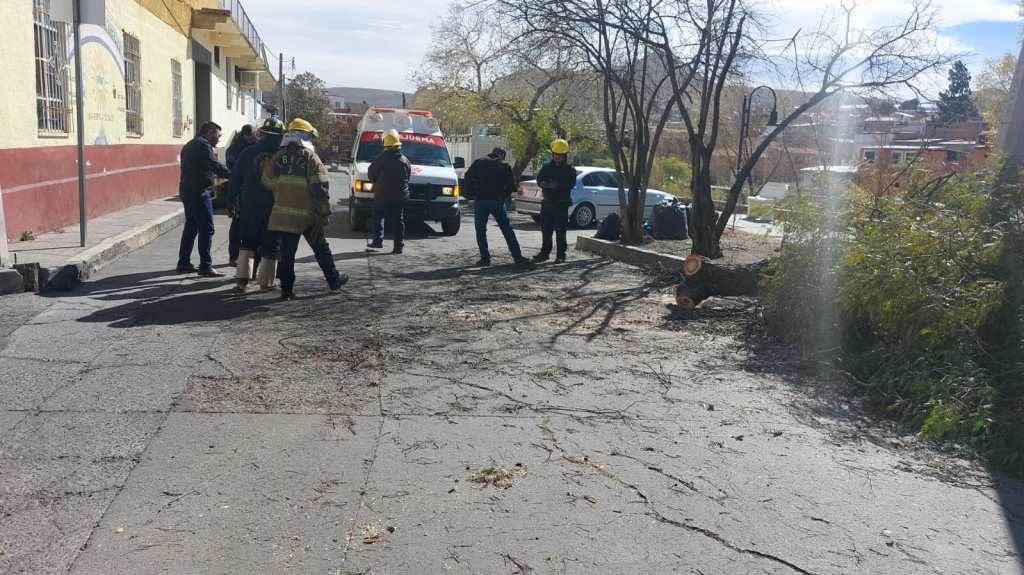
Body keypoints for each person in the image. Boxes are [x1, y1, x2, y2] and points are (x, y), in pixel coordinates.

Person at [260, 118, 348, 300]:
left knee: (287, 254)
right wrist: (324, 213)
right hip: (308, 216)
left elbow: (266, 180)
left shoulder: (278, 157)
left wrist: (281, 188)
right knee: (321, 249)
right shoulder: (310, 158)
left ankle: (286, 290)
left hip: (283, 216)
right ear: (306, 137)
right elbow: (320, 188)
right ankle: (334, 280)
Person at [229, 117, 284, 291]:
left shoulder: (248, 152)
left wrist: (231, 200)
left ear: (262, 133)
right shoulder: (283, 156)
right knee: (271, 245)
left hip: (249, 205)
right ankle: (266, 283)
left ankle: (242, 281)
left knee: (247, 242)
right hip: (274, 207)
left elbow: (235, 178)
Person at [177, 121, 230, 276]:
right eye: (218, 135)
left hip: (187, 189)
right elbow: (213, 164)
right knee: (206, 228)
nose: (219, 139)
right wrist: (232, 175)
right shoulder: (203, 145)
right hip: (198, 191)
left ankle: (183, 263)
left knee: (191, 226)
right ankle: (205, 266)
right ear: (210, 132)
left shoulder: (190, 144)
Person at [465, 147, 530, 267]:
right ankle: (517, 257)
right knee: (507, 230)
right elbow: (511, 185)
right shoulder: (504, 166)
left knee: (481, 231)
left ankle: (485, 259)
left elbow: (467, 177)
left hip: (481, 201)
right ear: (501, 156)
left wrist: (472, 193)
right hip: (497, 202)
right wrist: (504, 196)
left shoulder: (478, 162)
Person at [533, 138, 576, 263]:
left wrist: (556, 185)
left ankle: (561, 255)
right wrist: (543, 183)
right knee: (546, 230)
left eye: (560, 155)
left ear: (564, 156)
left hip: (561, 204)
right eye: (556, 155)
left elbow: (571, 184)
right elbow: (539, 179)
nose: (557, 157)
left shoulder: (569, 170)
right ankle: (544, 253)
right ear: (553, 154)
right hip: (547, 203)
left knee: (560, 232)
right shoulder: (546, 167)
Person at [367, 129, 410, 254]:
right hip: (400, 196)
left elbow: (371, 174)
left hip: (382, 195)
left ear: (385, 144)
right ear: (398, 145)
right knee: (398, 220)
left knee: (378, 216)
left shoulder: (380, 159)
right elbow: (408, 177)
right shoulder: (405, 160)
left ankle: (378, 241)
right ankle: (398, 246)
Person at [225, 124, 258, 267]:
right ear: (244, 135)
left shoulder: (256, 148)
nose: (252, 138)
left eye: (253, 136)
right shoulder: (235, 149)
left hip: (250, 191)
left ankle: (248, 259)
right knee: (237, 226)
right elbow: (233, 168)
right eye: (249, 136)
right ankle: (234, 256)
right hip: (240, 190)